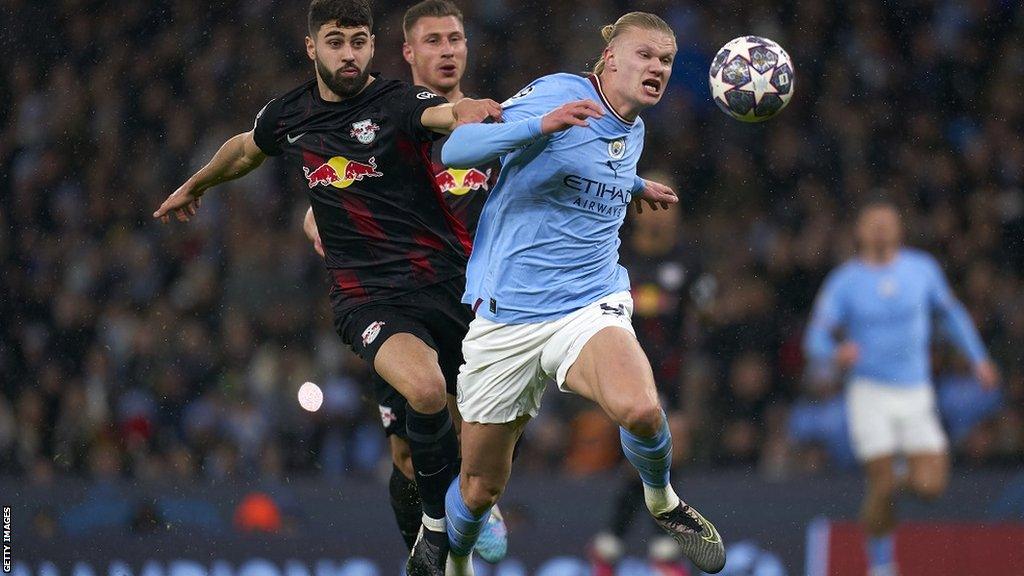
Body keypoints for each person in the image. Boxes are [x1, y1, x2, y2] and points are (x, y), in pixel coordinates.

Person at [152, 1, 502, 572]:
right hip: (366, 298)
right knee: (422, 407)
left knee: (455, 438)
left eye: (360, 41)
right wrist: (196, 186)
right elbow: (245, 149)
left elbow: (442, 115)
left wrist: (469, 114)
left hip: (447, 289)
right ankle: (435, 537)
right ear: (312, 46)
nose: (350, 54)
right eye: (336, 42)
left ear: (373, 45)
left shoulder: (396, 102)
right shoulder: (289, 114)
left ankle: (464, 509)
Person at [414, 12, 727, 576]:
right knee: (480, 488)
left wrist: (633, 184)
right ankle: (454, 560)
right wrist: (540, 126)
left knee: (641, 408)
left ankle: (662, 501)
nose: (657, 68)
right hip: (507, 316)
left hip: (587, 303)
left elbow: (590, 164)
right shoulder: (559, 94)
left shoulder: (634, 126)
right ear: (610, 59)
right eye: (645, 55)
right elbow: (457, 152)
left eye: (666, 61)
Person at [300, 0, 506, 562]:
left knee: (473, 441)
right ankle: (423, 549)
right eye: (433, 41)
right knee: (408, 456)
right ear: (408, 52)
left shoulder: (492, 126)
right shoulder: (383, 123)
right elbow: (331, 181)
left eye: (456, 40)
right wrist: (319, 213)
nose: (447, 51)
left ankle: (467, 510)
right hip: (396, 299)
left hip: (474, 301)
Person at [803, 200, 999, 576]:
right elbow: (815, 337)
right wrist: (835, 351)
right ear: (859, 231)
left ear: (899, 229)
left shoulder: (922, 270)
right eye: (871, 222)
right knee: (880, 481)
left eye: (886, 222)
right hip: (869, 392)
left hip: (916, 392)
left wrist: (979, 358)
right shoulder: (845, 281)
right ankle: (882, 566)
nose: (879, 228)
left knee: (931, 486)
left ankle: (897, 478)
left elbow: (952, 315)